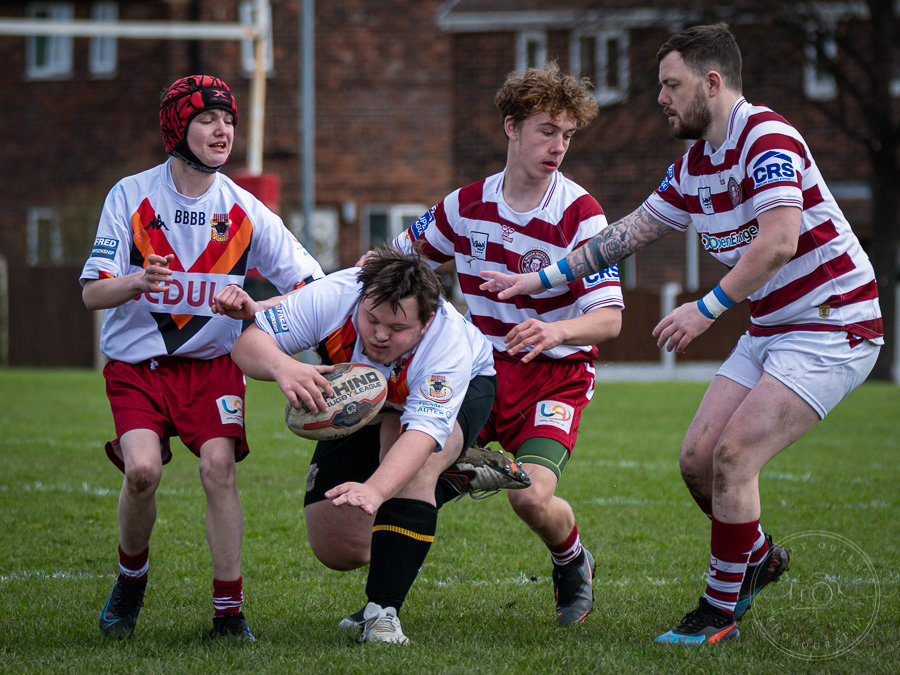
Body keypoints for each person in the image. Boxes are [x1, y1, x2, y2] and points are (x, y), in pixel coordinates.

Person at [480, 24, 883, 644]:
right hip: (773, 325)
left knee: (733, 456)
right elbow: (625, 235)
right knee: (697, 461)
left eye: (671, 84)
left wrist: (708, 306)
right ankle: (758, 557)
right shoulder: (695, 165)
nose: (661, 98)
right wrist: (540, 281)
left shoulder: (767, 138)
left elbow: (779, 242)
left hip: (835, 324)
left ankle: (718, 612)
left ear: (712, 83)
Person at [81, 75, 325, 641]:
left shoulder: (244, 209)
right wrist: (137, 281)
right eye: (207, 120)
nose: (223, 130)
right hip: (138, 369)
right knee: (141, 473)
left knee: (218, 470)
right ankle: (131, 578)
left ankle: (228, 615)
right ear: (177, 128)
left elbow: (312, 284)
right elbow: (92, 293)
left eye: (229, 120)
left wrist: (252, 305)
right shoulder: (130, 196)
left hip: (213, 367)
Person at [392, 61, 623, 626]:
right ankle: (383, 605)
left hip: (556, 377)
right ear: (511, 127)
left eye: (567, 135)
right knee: (415, 474)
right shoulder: (466, 206)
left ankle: (573, 561)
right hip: (482, 374)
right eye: (547, 130)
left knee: (529, 496)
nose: (558, 146)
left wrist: (556, 329)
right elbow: (397, 261)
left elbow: (611, 319)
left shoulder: (580, 215)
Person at [229, 247, 497, 644]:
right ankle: (456, 477)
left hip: (458, 392)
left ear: (427, 323)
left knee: (412, 466)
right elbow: (247, 346)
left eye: (398, 327)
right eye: (371, 319)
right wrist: (283, 365)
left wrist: (375, 489)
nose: (380, 334)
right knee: (339, 547)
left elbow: (420, 436)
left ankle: (382, 611)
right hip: (366, 396)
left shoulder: (448, 344)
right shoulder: (334, 295)